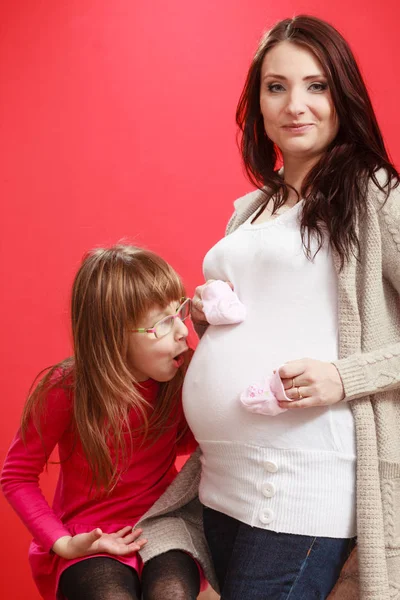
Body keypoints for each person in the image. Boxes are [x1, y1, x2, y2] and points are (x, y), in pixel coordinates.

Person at [173, 14, 399, 600]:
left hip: (299, 489)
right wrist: (207, 314)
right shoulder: (250, 209)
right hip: (221, 488)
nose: (295, 104)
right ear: (259, 103)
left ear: (342, 95)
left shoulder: (374, 194)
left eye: (316, 85)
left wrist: (344, 377)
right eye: (277, 87)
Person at [0, 244, 215, 600]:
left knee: (171, 593)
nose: (181, 330)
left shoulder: (181, 378)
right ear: (113, 336)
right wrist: (64, 542)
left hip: (165, 521)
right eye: (162, 323)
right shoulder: (66, 389)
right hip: (91, 533)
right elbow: (17, 475)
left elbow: (197, 439)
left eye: (180, 311)